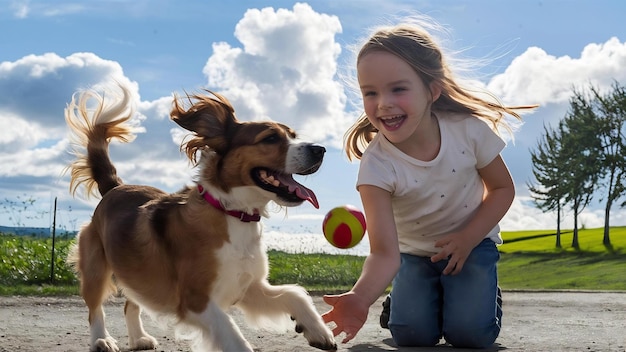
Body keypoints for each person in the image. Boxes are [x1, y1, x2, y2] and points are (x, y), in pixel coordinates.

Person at [321, 18, 536, 349]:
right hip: (413, 255)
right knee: (411, 335)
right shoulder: (376, 165)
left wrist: (468, 238)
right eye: (370, 93)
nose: (383, 103)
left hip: (472, 244)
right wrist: (360, 298)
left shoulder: (468, 130)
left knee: (470, 335)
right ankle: (406, 300)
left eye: (398, 89)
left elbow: (503, 189)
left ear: (432, 90)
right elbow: (383, 253)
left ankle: (482, 292)